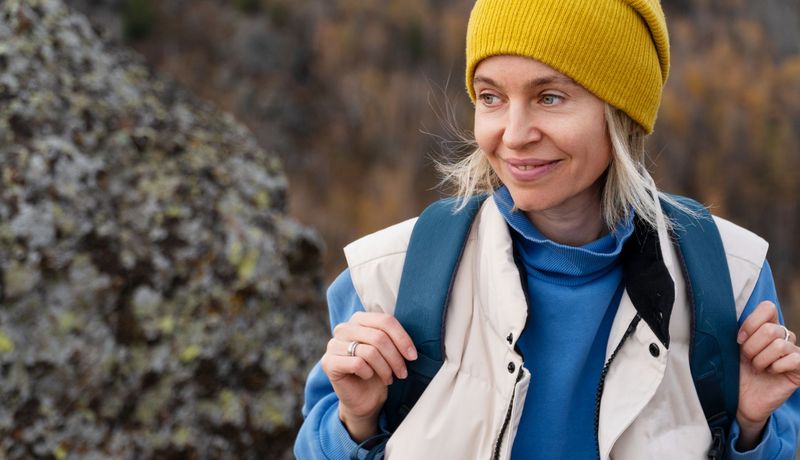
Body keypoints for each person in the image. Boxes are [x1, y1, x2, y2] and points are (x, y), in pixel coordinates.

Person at [294, 0, 800, 458]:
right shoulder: (388, 277)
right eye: (490, 97)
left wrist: (753, 431)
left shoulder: (730, 278)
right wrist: (355, 422)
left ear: (621, 112)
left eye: (550, 97)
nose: (513, 135)